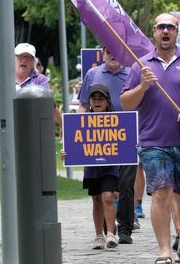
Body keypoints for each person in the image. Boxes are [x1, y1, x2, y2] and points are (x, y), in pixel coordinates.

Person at [120, 12, 180, 264]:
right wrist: (142, 86)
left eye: (171, 27)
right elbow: (125, 104)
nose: (166, 31)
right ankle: (164, 251)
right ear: (154, 32)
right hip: (153, 142)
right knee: (161, 193)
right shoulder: (140, 65)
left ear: (177, 32)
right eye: (161, 27)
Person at [77, 47, 137, 244]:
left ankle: (126, 228)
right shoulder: (92, 74)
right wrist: (77, 133)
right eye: (109, 50)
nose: (113, 54)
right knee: (102, 191)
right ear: (103, 53)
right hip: (98, 140)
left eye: (116, 50)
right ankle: (105, 229)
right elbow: (84, 105)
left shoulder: (131, 73)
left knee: (126, 184)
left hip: (126, 138)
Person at [60, 83, 120, 250]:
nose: (97, 101)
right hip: (92, 168)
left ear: (108, 101)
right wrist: (66, 153)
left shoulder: (117, 120)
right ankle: (99, 235)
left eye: (101, 98)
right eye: (94, 98)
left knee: (108, 197)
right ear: (89, 102)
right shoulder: (81, 121)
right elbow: (73, 144)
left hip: (110, 166)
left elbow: (125, 141)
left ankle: (110, 234)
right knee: (97, 200)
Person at [0, 43, 53, 161]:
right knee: (7, 173)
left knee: (30, 174)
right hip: (5, 137)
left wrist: (3, 102)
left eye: (28, 57)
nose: (24, 60)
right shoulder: (0, 78)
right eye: (20, 56)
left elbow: (45, 105)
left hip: (31, 138)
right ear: (14, 59)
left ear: (33, 61)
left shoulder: (40, 80)